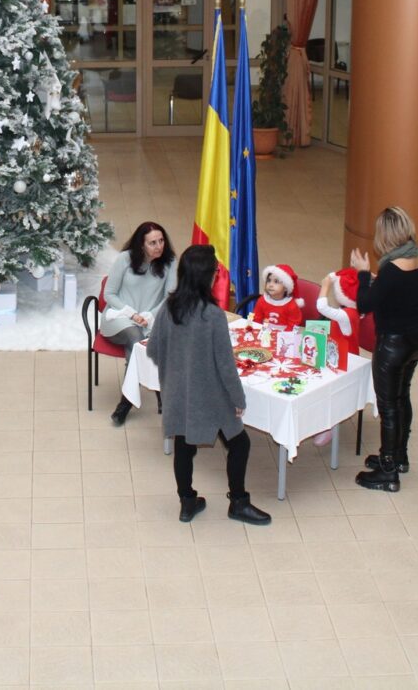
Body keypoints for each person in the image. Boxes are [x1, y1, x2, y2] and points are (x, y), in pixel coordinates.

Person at [151, 244, 272, 526]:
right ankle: (238, 502)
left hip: (178, 394)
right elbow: (226, 367)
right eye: (217, 271)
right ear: (207, 277)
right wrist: (238, 400)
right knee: (239, 444)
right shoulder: (213, 316)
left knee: (183, 445)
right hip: (211, 397)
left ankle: (187, 501)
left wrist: (181, 367)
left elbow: (155, 349)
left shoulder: (169, 308)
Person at [351, 205, 418, 492]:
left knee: (388, 405)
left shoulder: (390, 270)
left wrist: (363, 275)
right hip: (416, 339)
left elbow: (364, 304)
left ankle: (387, 472)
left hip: (392, 344)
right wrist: (383, 287)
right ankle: (399, 456)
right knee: (402, 396)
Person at [104, 221, 177, 426]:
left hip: (151, 320)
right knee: (136, 339)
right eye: (152, 243)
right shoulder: (124, 259)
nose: (159, 246)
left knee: (143, 341)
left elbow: (169, 297)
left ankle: (133, 398)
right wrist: (133, 314)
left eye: (161, 241)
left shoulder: (170, 261)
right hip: (120, 317)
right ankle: (130, 401)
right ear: (141, 245)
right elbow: (109, 294)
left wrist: (150, 315)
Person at [248, 264, 304, 330]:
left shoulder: (292, 306)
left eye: (276, 281)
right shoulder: (262, 300)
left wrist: (281, 337)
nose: (270, 285)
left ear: (286, 287)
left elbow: (293, 325)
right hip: (264, 334)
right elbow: (257, 319)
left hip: (284, 336)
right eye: (268, 280)